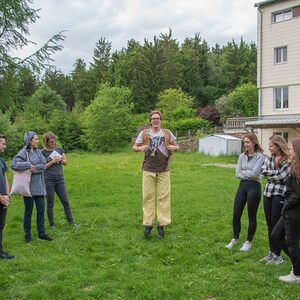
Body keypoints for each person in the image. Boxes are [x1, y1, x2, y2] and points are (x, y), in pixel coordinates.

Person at [133, 111, 179, 238]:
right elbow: (134, 147)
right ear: (150, 121)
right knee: (147, 196)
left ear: (161, 120)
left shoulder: (167, 133)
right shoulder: (144, 133)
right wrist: (140, 148)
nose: (156, 120)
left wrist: (173, 148)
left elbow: (177, 146)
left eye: (158, 118)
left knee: (163, 197)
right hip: (148, 169)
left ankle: (161, 224)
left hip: (164, 170)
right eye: (153, 118)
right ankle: (148, 223)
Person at [11, 131, 53, 243]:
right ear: (29, 141)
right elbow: (14, 164)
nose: (38, 141)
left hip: (39, 187)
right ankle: (27, 235)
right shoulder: (23, 152)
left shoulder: (39, 152)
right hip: (28, 188)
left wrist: (35, 168)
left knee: (41, 211)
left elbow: (43, 166)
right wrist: (28, 165)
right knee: (28, 212)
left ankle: (42, 233)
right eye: (35, 139)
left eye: (38, 139)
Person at [226, 133, 265, 251]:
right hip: (242, 186)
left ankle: (248, 241)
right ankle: (235, 238)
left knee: (251, 215)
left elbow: (255, 173)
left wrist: (244, 173)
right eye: (244, 142)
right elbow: (237, 173)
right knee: (236, 213)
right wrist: (247, 173)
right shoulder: (241, 156)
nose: (245, 144)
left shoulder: (260, 156)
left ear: (254, 142)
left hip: (254, 187)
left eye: (248, 142)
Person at [271, 139, 300, 283]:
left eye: (292, 149)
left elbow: (297, 194)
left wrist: (287, 204)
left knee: (292, 242)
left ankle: (297, 274)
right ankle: (298, 265)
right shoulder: (294, 166)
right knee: (276, 235)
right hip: (289, 209)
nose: (290, 151)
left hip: (294, 211)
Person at [260, 135, 290, 265]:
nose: (269, 148)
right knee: (269, 225)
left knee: (275, 225)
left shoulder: (288, 160)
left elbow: (282, 176)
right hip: (268, 193)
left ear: (278, 146)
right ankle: (271, 253)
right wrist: (273, 173)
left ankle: (278, 256)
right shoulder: (269, 157)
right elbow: (263, 171)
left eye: (271, 146)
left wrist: (270, 173)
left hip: (280, 194)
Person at [41, 131, 79, 229]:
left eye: (54, 142)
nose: (53, 144)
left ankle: (72, 223)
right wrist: (52, 161)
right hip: (48, 180)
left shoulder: (59, 149)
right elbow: (42, 167)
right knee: (50, 203)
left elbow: (66, 162)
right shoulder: (42, 152)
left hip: (60, 180)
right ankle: (52, 224)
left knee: (65, 201)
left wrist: (60, 160)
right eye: (51, 142)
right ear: (46, 142)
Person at [0, 134, 14, 259]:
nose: (5, 146)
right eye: (3, 143)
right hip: (1, 199)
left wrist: (7, 195)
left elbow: (5, 178)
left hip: (4, 199)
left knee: (1, 225)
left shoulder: (1, 161)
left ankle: (0, 252)